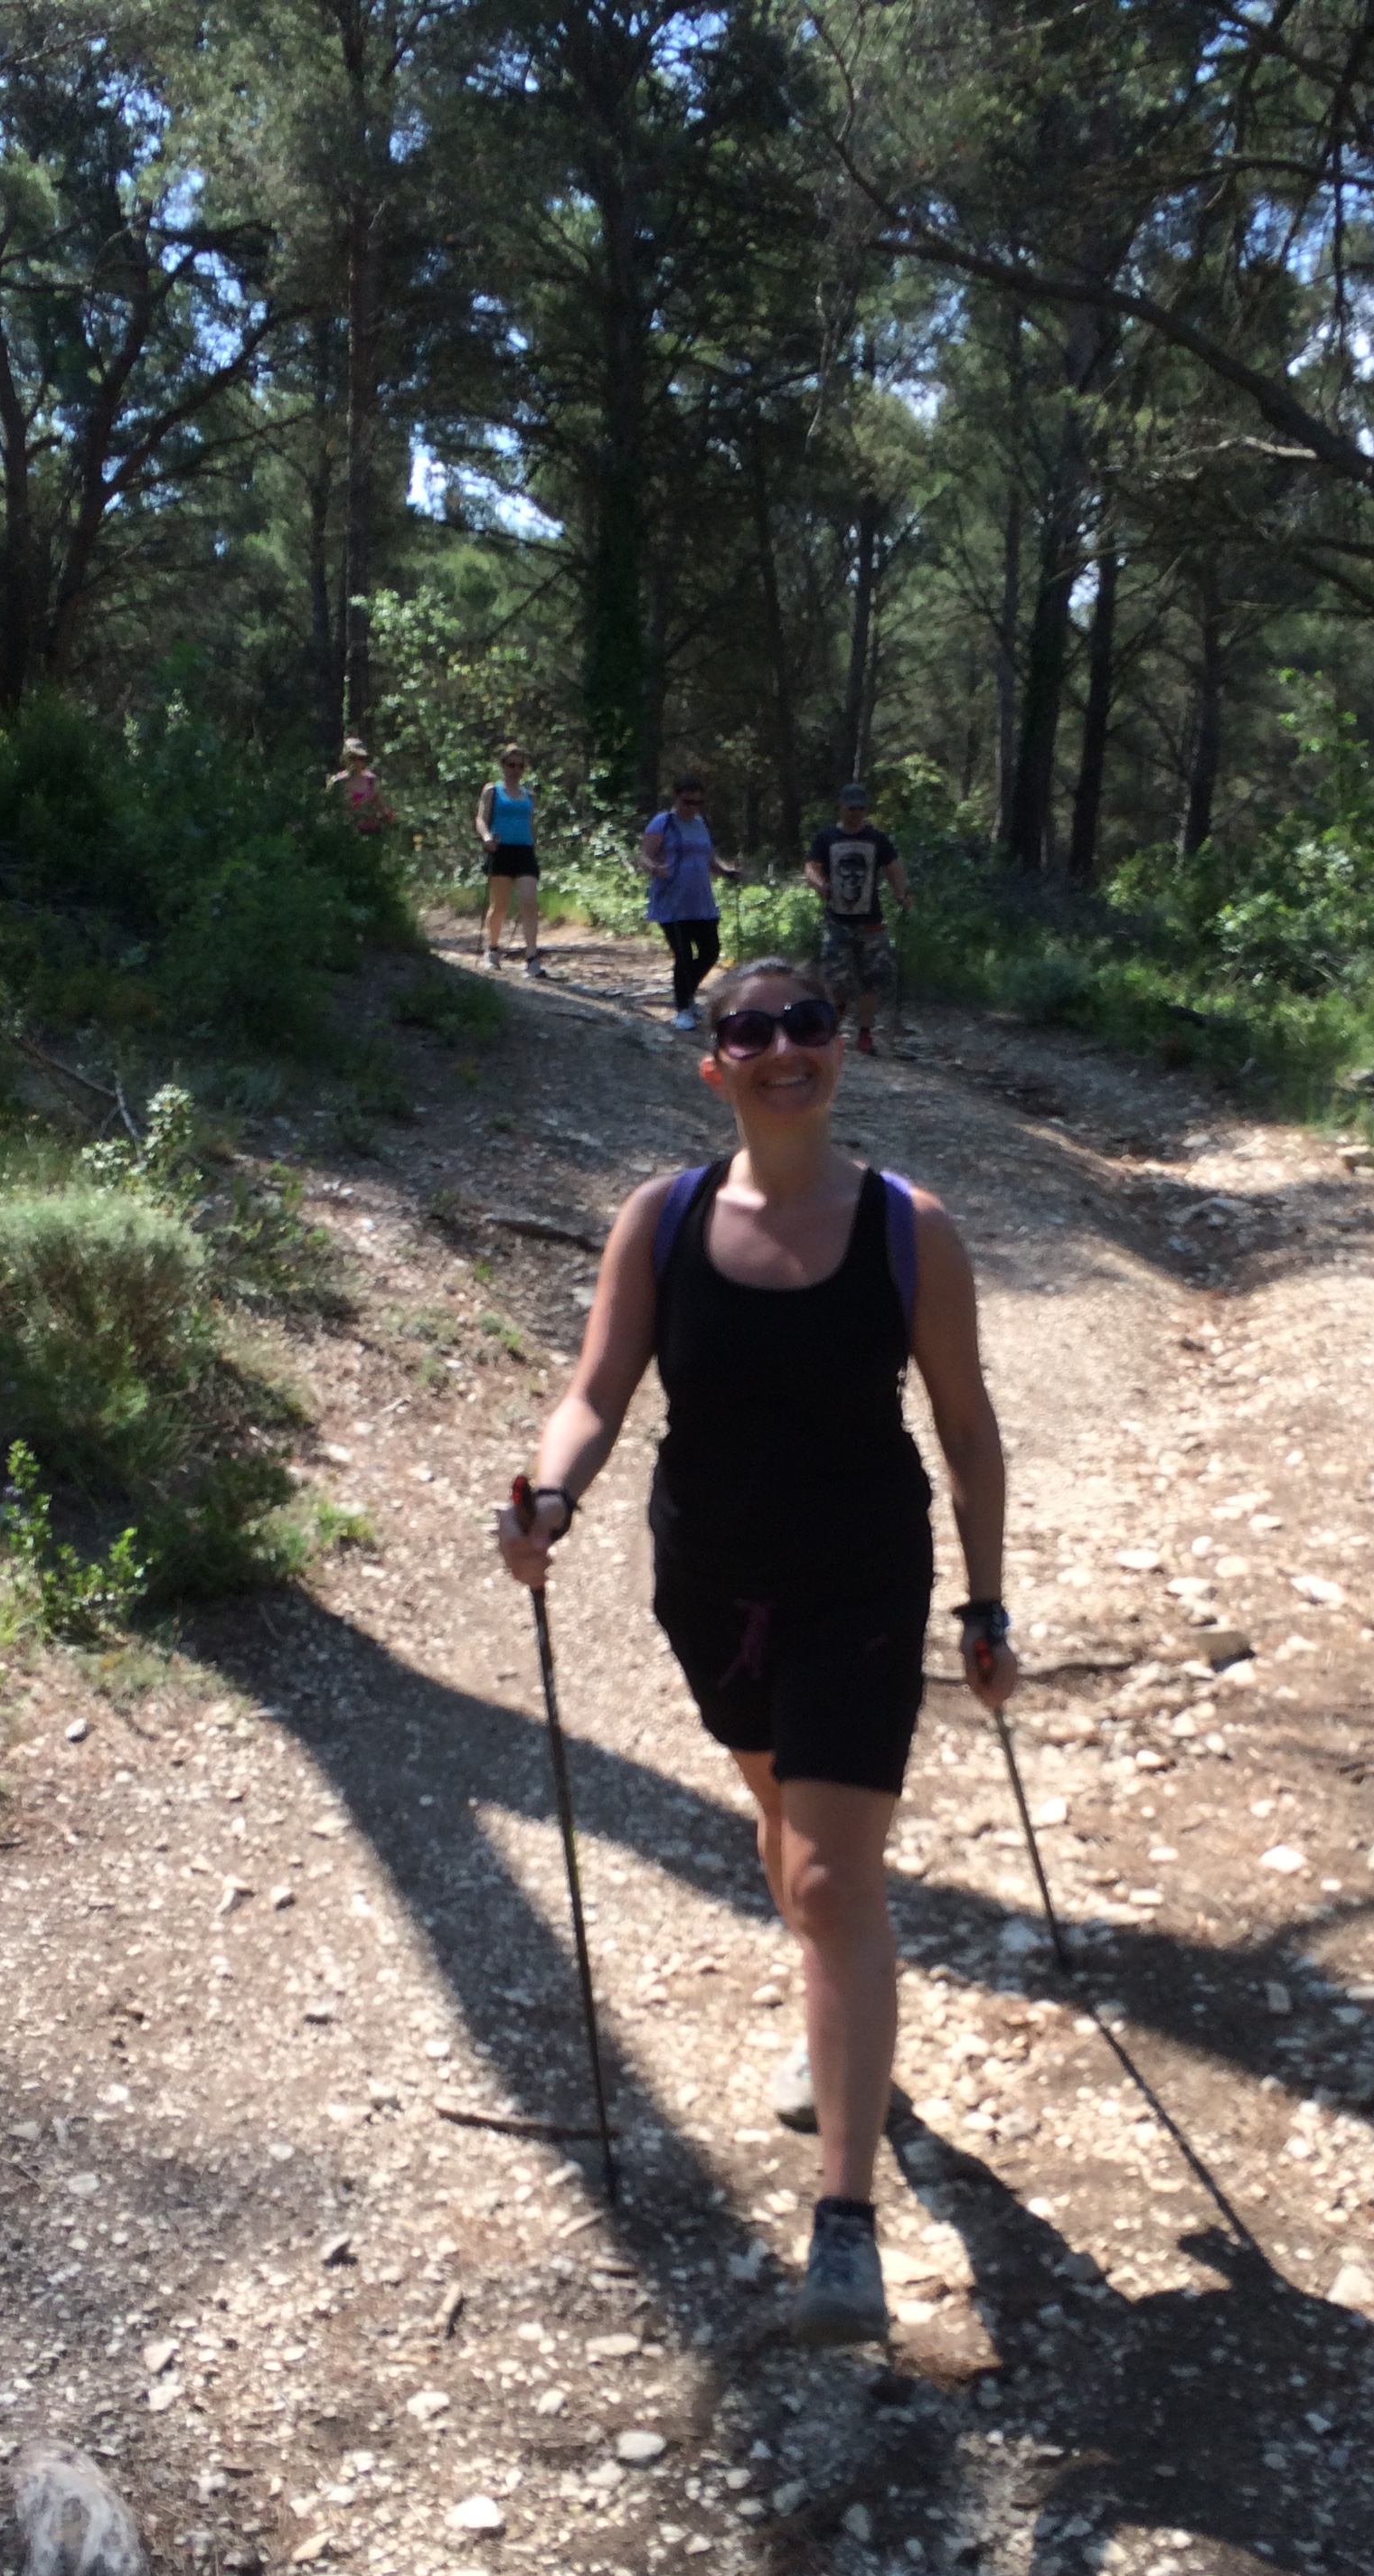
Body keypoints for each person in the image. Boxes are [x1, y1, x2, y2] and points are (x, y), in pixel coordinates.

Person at [496, 954, 1019, 2347]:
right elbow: (596, 1391)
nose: (786, 1048)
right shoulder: (661, 1219)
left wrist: (984, 1605)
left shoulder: (911, 1229)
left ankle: (845, 2223)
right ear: (713, 1061)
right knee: (787, 1833)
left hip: (862, 1579)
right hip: (713, 1582)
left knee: (835, 1875)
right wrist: (552, 1495)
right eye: (752, 1031)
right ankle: (840, 2034)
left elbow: (967, 1429)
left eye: (809, 1023)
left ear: (842, 1045)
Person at [805, 779, 911, 1055]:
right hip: (837, 921)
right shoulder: (827, 837)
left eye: (860, 808)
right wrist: (819, 884)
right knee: (836, 983)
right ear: (841, 806)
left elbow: (894, 869)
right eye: (851, 808)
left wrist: (902, 893)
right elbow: (811, 867)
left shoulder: (877, 839)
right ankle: (831, 1032)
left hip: (871, 922)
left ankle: (865, 1034)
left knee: (872, 979)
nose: (855, 813)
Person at [640, 773, 743, 1030]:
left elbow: (709, 860)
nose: (692, 807)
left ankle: (687, 994)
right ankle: (682, 1008)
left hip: (700, 901)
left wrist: (727, 872)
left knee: (710, 951)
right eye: (687, 802)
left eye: (698, 802)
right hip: (672, 901)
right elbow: (645, 857)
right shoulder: (663, 822)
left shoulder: (699, 824)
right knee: (684, 955)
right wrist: (655, 869)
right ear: (676, 798)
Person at [476, 745, 546, 977]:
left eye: (520, 766)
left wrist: (533, 844)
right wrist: (486, 837)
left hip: (524, 851)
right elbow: (481, 818)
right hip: (500, 850)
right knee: (500, 905)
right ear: (503, 765)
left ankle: (532, 958)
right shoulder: (492, 791)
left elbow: (530, 823)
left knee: (529, 902)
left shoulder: (529, 795)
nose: (516, 770)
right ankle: (492, 949)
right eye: (511, 765)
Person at [326, 734, 394, 835]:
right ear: (345, 758)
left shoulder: (371, 781)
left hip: (369, 833)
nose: (357, 762)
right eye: (353, 757)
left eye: (361, 758)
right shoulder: (337, 782)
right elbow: (329, 810)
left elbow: (381, 806)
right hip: (343, 833)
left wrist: (387, 815)